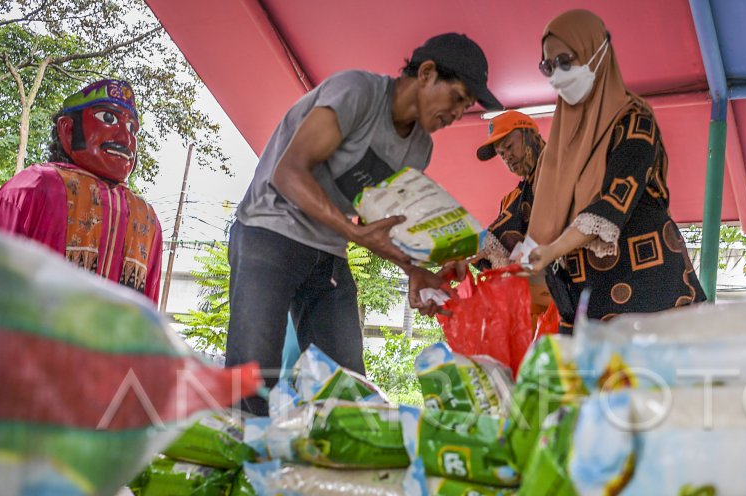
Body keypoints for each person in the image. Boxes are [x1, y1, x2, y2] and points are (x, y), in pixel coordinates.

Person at [225, 33, 501, 415]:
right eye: (457, 98)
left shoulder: (420, 148)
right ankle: (239, 468)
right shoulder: (357, 91)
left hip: (328, 248)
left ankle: (316, 471)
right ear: (426, 73)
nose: (457, 114)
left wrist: (416, 270)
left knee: (346, 389)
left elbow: (380, 217)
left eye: (466, 107)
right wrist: (353, 233)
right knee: (251, 379)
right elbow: (288, 173)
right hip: (269, 230)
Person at [525, 9, 705, 333]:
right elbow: (532, 213)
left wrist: (553, 249)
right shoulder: (561, 144)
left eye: (566, 62)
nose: (556, 76)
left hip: (647, 290)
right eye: (547, 67)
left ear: (597, 54)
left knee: (648, 380)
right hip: (585, 298)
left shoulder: (635, 123)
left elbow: (612, 204)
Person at [0, 79, 162, 304]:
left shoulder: (146, 217)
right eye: (108, 119)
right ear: (68, 129)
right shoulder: (34, 187)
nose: (126, 139)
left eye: (132, 129)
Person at [472, 110, 554, 322]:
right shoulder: (511, 200)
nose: (506, 156)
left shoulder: (560, 172)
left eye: (509, 146)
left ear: (530, 136)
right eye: (501, 153)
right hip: (532, 310)